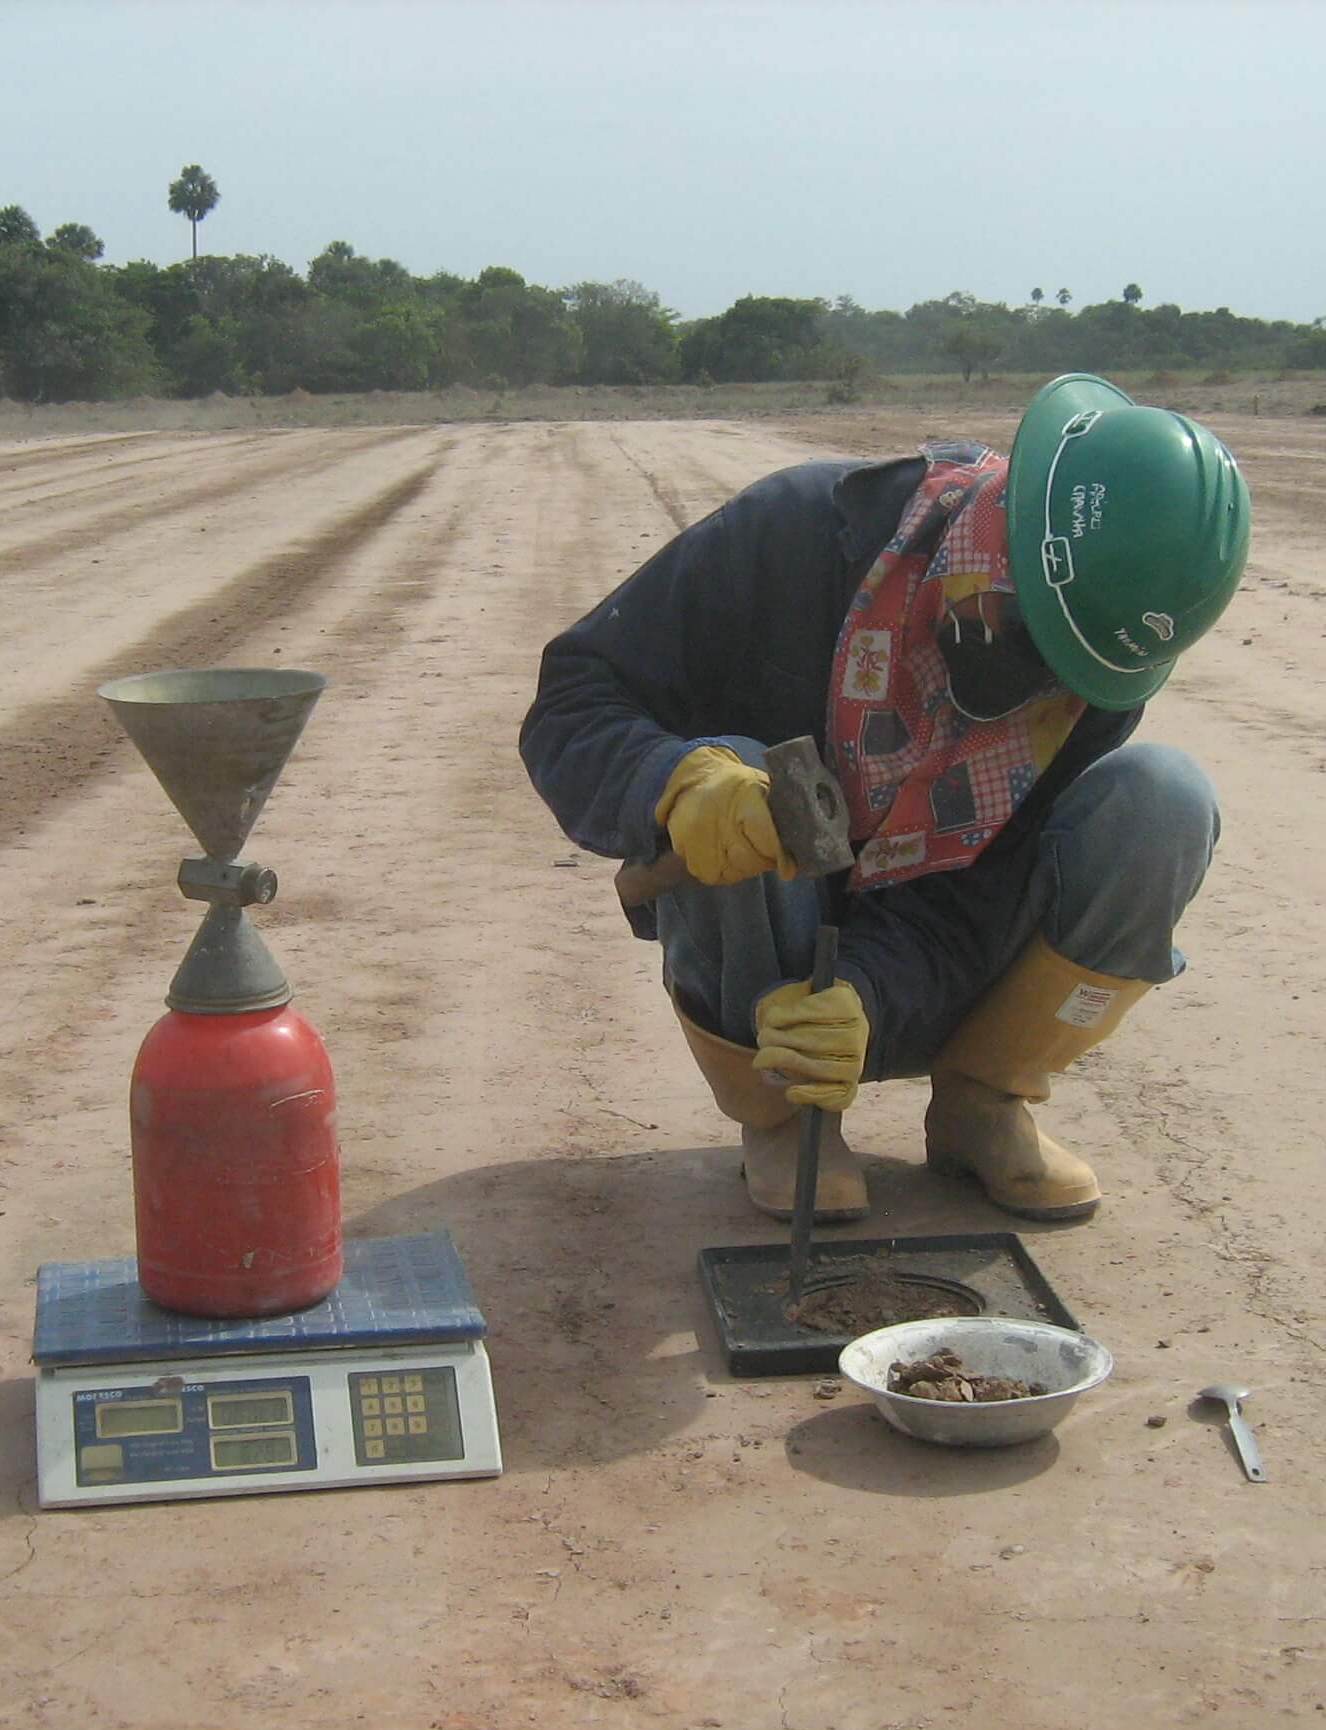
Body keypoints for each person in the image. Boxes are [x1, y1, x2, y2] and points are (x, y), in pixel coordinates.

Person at [519, 374, 1251, 1225]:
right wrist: (671, 783)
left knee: (1164, 803)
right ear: (1001, 526)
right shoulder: (796, 532)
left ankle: (984, 1099)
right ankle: (782, 1115)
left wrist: (865, 996)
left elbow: (972, 899)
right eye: (1022, 631)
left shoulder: (1095, 679)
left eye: (1063, 667)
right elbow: (572, 697)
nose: (1029, 680)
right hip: (756, 929)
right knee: (749, 766)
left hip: (927, 966)